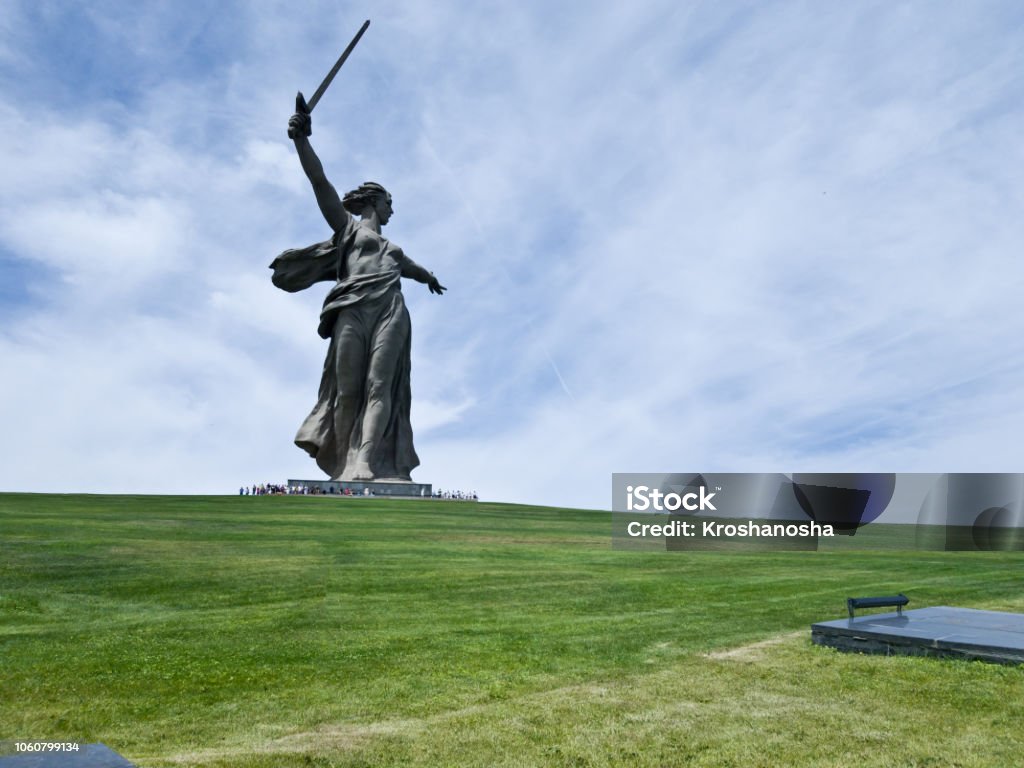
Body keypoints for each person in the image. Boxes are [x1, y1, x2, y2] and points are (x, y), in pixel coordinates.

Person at [271, 99, 445, 481]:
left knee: (380, 386)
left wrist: (428, 277)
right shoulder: (348, 230)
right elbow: (320, 183)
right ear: (373, 202)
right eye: (389, 203)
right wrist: (302, 140)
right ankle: (343, 464)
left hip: (391, 310)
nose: (392, 211)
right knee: (348, 390)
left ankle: (365, 460)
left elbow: (411, 268)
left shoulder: (393, 250)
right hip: (352, 307)